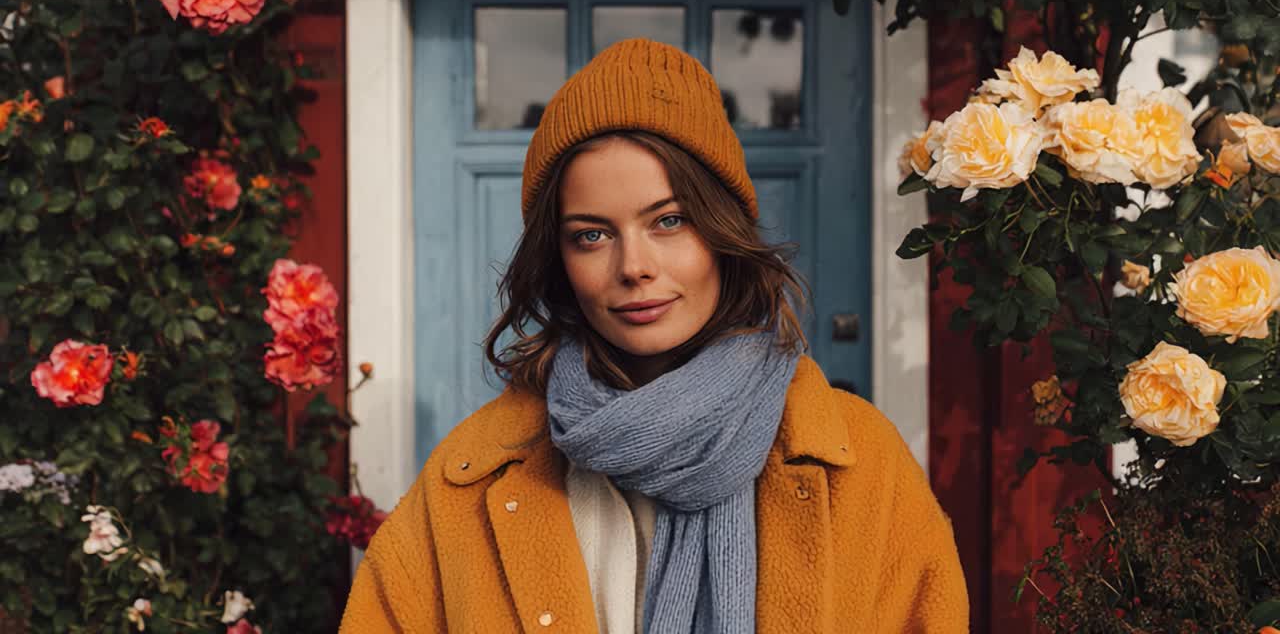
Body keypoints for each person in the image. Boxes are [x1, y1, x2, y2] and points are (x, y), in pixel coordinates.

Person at [338, 38, 968, 633]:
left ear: (723, 233)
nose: (633, 266)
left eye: (669, 221)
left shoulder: (860, 465)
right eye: (592, 234)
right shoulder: (473, 477)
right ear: (559, 261)